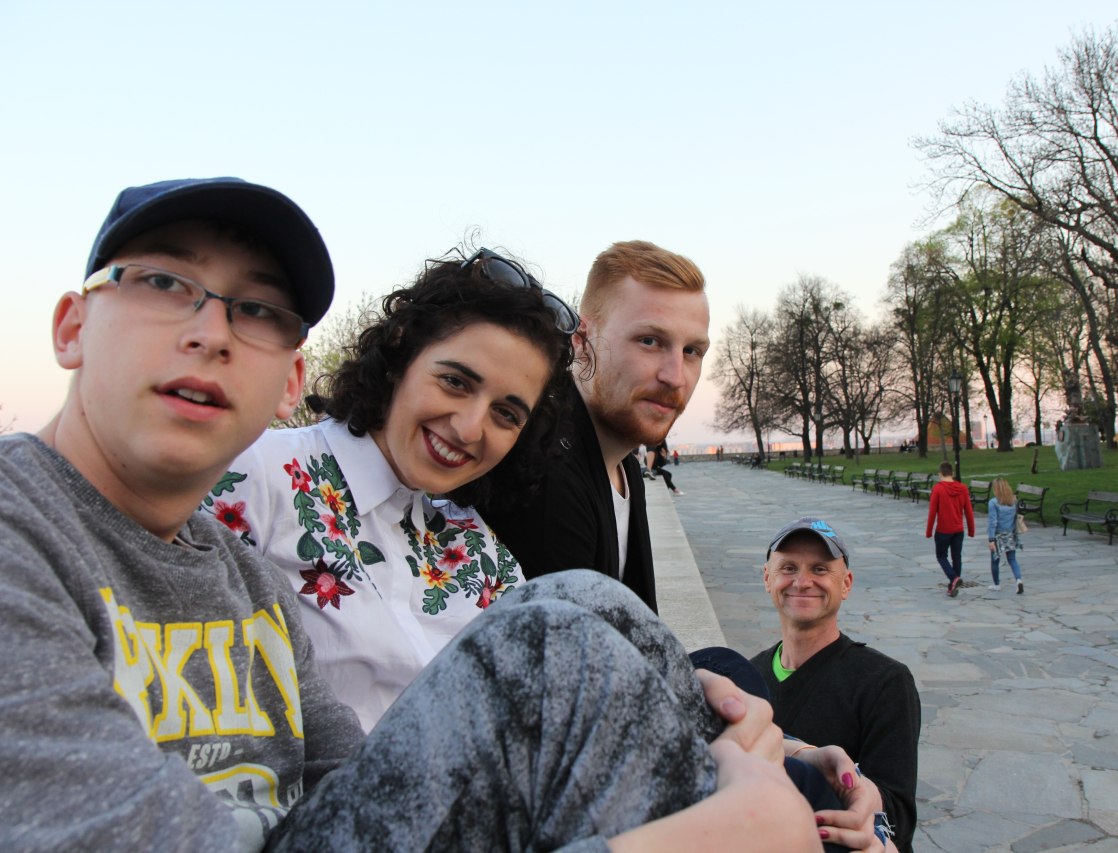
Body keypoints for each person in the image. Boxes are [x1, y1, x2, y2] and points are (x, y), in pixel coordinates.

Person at [0, 177, 850, 851]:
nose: (213, 333)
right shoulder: (234, 493)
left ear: (289, 376)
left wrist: (737, 727)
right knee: (560, 635)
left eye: (256, 311)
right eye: (164, 284)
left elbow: (362, 777)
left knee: (597, 613)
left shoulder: (263, 575)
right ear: (71, 327)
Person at [203, 249, 576, 730]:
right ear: (401, 353)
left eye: (505, 414)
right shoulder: (256, 475)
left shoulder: (477, 549)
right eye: (455, 382)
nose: (469, 428)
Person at [479, 240, 711, 612]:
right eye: (649, 341)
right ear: (581, 342)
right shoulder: (546, 474)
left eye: (691, 351)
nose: (676, 376)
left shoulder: (620, 463)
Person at [751, 518, 921, 852]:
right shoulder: (748, 676)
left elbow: (899, 815)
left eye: (819, 569)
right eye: (788, 568)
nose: (802, 582)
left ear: (846, 584)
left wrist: (861, 799)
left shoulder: (885, 681)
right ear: (767, 579)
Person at [926, 461, 974, 597]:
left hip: (943, 529)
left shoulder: (938, 489)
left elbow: (932, 512)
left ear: (940, 474)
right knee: (956, 557)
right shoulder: (963, 488)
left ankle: (954, 579)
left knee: (941, 556)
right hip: (958, 529)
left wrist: (929, 531)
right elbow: (968, 510)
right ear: (952, 473)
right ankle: (953, 586)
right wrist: (971, 529)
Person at [987, 477, 1025, 594]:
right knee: (1012, 559)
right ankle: (1018, 580)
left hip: (998, 535)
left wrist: (991, 539)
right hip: (1010, 534)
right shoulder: (1013, 501)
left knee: (995, 560)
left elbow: (993, 522)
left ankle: (996, 584)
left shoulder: (993, 503)